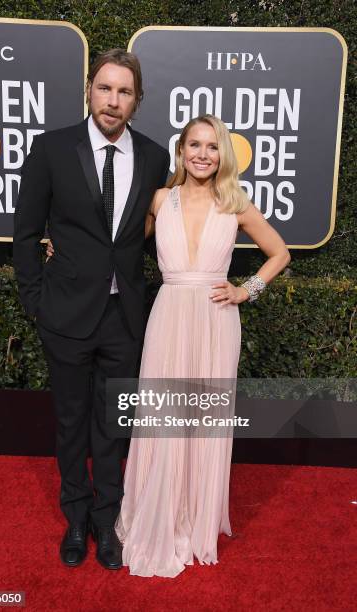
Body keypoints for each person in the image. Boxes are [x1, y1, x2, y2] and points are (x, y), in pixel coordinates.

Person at [13, 49, 171, 570]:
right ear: (89, 90)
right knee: (71, 423)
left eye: (125, 92)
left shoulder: (153, 157)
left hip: (123, 318)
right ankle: (75, 517)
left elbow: (148, 235)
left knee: (112, 426)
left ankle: (108, 522)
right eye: (105, 88)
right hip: (64, 315)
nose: (113, 100)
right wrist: (37, 302)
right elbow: (26, 234)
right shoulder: (51, 148)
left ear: (137, 100)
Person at [113, 115, 291, 577]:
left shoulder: (235, 203)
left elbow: (280, 253)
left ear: (223, 154)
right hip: (169, 314)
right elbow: (121, 247)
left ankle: (194, 521)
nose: (203, 154)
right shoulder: (158, 199)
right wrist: (67, 250)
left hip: (216, 320)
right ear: (181, 150)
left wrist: (245, 289)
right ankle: (160, 514)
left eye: (213, 147)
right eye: (195, 144)